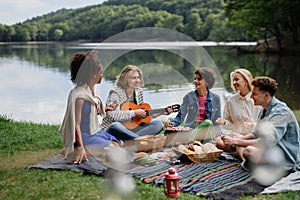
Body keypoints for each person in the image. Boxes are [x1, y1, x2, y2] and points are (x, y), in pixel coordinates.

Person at [220, 76, 300, 172]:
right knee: (235, 135)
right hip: (270, 150)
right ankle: (248, 160)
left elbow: (267, 142)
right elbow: (256, 132)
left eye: (254, 94)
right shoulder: (264, 109)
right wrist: (238, 139)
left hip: (284, 158)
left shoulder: (281, 112)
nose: (251, 97)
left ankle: (248, 160)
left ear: (266, 95)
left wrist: (236, 142)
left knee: (248, 151)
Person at [59, 51, 121, 164]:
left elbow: (89, 113)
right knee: (115, 151)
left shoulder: (91, 91)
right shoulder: (80, 96)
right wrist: (81, 147)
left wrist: (106, 108)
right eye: (100, 72)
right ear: (92, 75)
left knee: (118, 144)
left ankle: (85, 150)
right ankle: (76, 150)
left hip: (95, 131)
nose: (102, 75)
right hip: (84, 135)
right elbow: (76, 125)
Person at [102, 65, 167, 141]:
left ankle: (133, 139)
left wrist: (160, 112)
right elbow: (113, 116)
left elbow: (141, 116)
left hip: (132, 128)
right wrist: (134, 112)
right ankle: (139, 140)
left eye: (138, 77)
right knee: (115, 125)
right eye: (134, 78)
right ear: (125, 79)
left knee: (158, 124)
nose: (137, 80)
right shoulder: (115, 93)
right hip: (115, 129)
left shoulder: (139, 92)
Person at [215, 68, 261, 151]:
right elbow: (231, 124)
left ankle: (239, 149)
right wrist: (224, 122)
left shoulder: (256, 100)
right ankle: (240, 149)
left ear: (246, 81)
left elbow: (264, 125)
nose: (234, 83)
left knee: (239, 144)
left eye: (236, 79)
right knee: (218, 141)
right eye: (233, 80)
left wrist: (252, 125)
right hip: (235, 137)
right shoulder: (230, 101)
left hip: (252, 138)